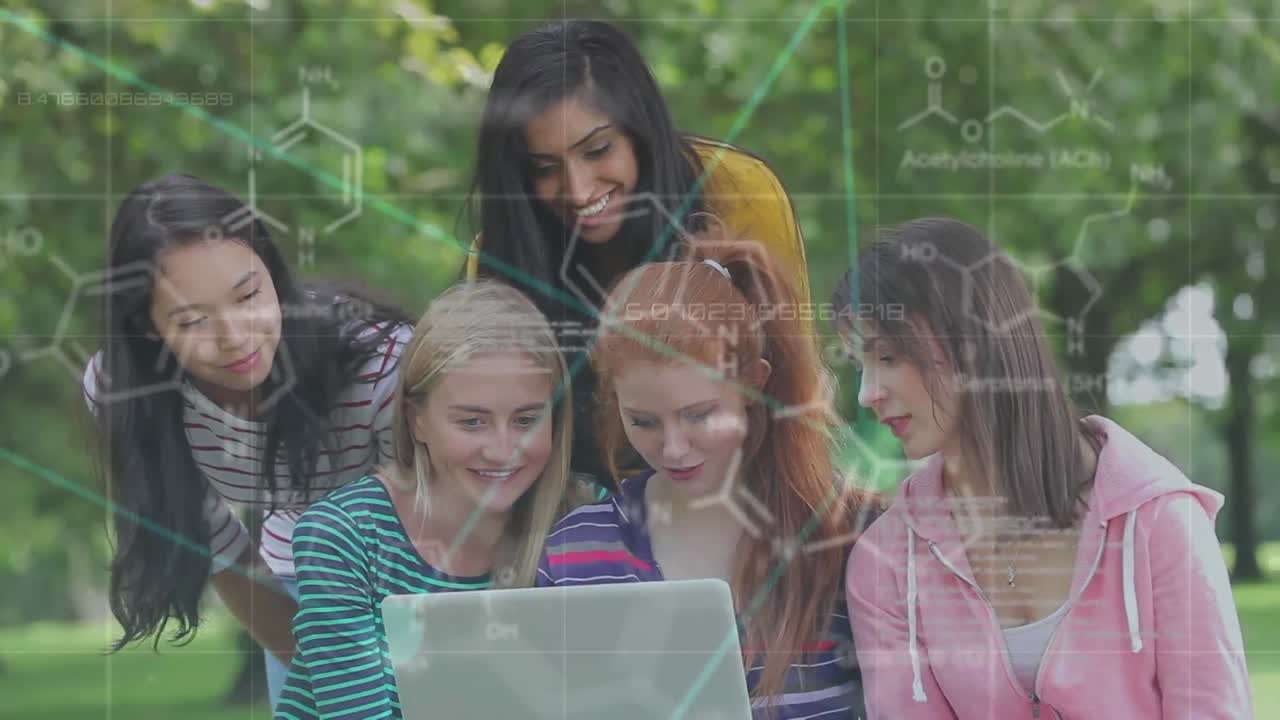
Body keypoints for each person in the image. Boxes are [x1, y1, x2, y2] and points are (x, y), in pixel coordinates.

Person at [837, 218, 1252, 718]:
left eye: (887, 354)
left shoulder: (1159, 523)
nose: (867, 393)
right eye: (860, 365)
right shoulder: (884, 563)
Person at [81, 174, 412, 708]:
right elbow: (221, 551)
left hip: (418, 580)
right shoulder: (123, 392)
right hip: (300, 588)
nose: (235, 338)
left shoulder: (382, 366)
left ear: (274, 275)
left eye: (248, 295)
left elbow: (433, 538)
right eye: (192, 320)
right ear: (147, 326)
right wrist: (326, 676)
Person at [463, 18, 812, 489]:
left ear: (638, 130)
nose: (579, 190)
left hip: (739, 498)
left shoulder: (740, 193)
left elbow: (793, 394)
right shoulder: (500, 256)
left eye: (598, 149)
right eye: (544, 169)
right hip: (573, 522)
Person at [537, 234, 874, 719]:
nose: (673, 449)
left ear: (753, 385)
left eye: (699, 415)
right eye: (643, 422)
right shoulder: (576, 551)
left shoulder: (850, 535)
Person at [273, 279, 580, 719]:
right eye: (472, 422)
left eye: (527, 419)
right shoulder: (345, 536)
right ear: (416, 421)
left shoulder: (584, 520)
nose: (502, 449)